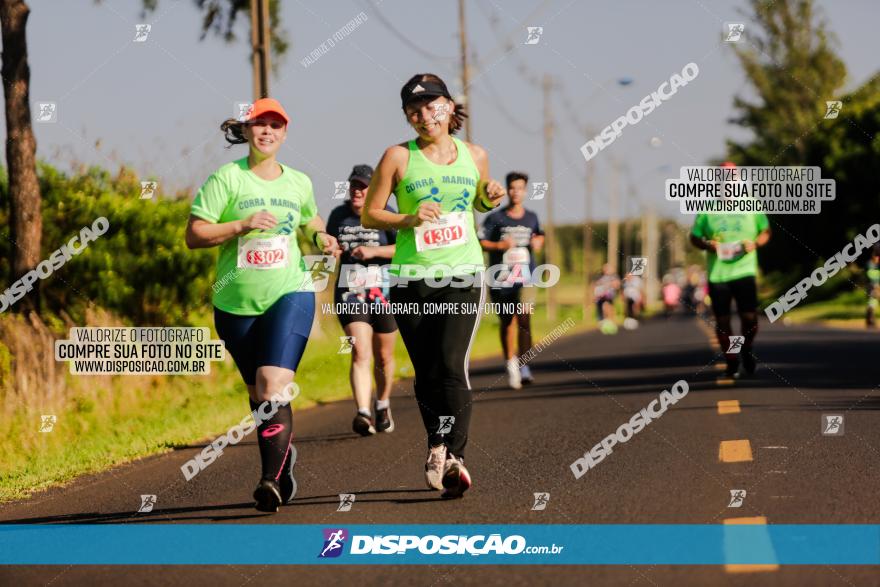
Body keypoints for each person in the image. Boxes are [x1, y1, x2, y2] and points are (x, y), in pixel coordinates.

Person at [185, 98, 340, 513]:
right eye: (259, 125)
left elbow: (310, 218)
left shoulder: (299, 183)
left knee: (273, 384)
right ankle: (284, 461)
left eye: (275, 125)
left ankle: (269, 481)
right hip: (235, 304)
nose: (267, 131)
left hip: (290, 292)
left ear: (285, 133)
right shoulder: (227, 179)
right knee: (258, 394)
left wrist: (321, 237)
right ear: (247, 131)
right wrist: (240, 225)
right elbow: (195, 234)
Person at [362, 73, 506, 499]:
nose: (425, 115)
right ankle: (437, 444)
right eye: (415, 109)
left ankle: (457, 458)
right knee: (426, 373)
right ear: (408, 116)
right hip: (411, 277)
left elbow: (479, 201)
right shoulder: (396, 157)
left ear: (449, 107)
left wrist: (491, 196)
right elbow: (371, 214)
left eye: (433, 105)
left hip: (462, 273)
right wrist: (407, 218)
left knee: (450, 363)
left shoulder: (475, 154)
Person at [326, 164, 398, 436]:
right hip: (350, 292)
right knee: (360, 351)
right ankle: (363, 413)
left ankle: (382, 403)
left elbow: (403, 248)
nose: (357, 191)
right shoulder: (338, 215)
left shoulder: (386, 215)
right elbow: (330, 242)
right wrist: (330, 248)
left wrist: (373, 251)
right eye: (353, 185)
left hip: (385, 292)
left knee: (384, 355)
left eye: (363, 186)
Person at [689, 161, 771, 378]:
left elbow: (765, 231)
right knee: (723, 320)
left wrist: (755, 244)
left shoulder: (752, 203)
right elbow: (694, 237)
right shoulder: (707, 207)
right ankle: (732, 359)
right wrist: (708, 245)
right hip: (719, 274)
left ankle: (747, 348)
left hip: (744, 271)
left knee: (750, 318)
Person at [479, 171, 544, 389]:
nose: (516, 192)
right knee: (507, 322)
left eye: (520, 188)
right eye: (512, 188)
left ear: (525, 191)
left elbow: (539, 234)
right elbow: (480, 241)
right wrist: (499, 246)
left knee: (524, 318)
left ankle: (525, 365)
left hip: (526, 277)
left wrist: (538, 243)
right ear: (507, 191)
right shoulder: (495, 218)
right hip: (502, 278)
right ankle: (511, 364)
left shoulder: (531, 217)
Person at [594, 263, 620, 334]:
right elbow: (596, 285)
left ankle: (610, 322)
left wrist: (608, 285)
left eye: (607, 268)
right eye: (605, 268)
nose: (606, 270)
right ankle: (605, 322)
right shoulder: (600, 277)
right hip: (600, 296)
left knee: (607, 307)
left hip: (608, 295)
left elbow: (617, 285)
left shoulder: (614, 277)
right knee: (601, 308)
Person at [866, 244, 880, 328]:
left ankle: (870, 319)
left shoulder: (877, 265)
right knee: (872, 301)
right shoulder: (870, 264)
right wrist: (875, 285)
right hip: (872, 286)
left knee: (873, 302)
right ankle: (870, 319)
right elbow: (870, 275)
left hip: (876, 285)